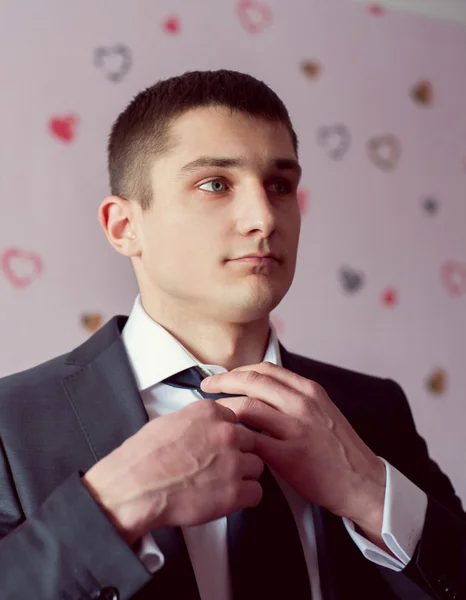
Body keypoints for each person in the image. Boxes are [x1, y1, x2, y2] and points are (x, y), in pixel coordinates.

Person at [0, 70, 464, 600]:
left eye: (280, 185)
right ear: (124, 226)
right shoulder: (11, 424)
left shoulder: (374, 410)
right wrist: (113, 507)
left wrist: (368, 490)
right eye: (215, 184)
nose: (264, 217)